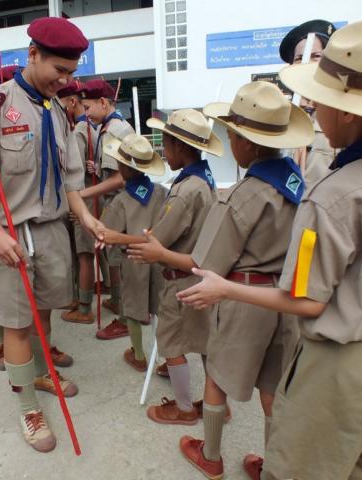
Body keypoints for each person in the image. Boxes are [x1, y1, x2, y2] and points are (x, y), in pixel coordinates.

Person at [177, 18, 362, 480]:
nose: (312, 110)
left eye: (318, 99)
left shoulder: (334, 194)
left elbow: (307, 299)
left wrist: (224, 289)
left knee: (302, 467)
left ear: (347, 111)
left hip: (339, 359)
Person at [140, 81, 314, 479]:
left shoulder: (243, 195)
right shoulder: (297, 182)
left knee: (216, 375)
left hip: (245, 297)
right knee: (273, 388)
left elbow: (208, 262)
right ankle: (274, 467)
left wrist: (162, 254)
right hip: (283, 297)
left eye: (233, 135)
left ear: (248, 144)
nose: (230, 142)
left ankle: (211, 455)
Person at [0, 16, 103, 453]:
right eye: (60, 70)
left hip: (51, 229)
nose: (65, 80)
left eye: (71, 73)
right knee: (17, 325)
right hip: (9, 235)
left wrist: (86, 217)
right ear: (33, 55)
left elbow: (70, 177)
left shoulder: (56, 111)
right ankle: (28, 409)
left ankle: (40, 371)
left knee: (44, 312)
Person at [108, 109, 223, 424]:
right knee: (206, 342)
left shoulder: (185, 191)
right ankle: (217, 405)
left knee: (171, 341)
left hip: (180, 278)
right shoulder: (204, 179)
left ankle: (183, 408)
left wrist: (119, 237)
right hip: (200, 274)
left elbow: (157, 239)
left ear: (181, 147)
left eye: (166, 144)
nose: (163, 151)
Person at [97, 133, 167, 370]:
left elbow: (107, 233)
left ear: (125, 168)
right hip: (160, 258)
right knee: (161, 307)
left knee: (133, 308)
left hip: (133, 261)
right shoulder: (162, 192)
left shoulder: (120, 201)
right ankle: (166, 357)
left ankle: (138, 354)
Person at [79, 78, 135, 340]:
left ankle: (126, 318)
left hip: (120, 203)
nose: (86, 113)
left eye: (88, 107)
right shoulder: (117, 125)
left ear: (103, 102)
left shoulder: (112, 131)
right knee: (118, 259)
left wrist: (81, 195)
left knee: (122, 262)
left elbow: (118, 179)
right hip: (125, 203)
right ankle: (120, 302)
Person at [58, 80, 101, 324]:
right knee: (81, 254)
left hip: (83, 200)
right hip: (87, 199)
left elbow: (75, 171)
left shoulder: (80, 130)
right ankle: (79, 299)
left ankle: (84, 309)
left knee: (84, 255)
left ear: (72, 102)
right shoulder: (86, 127)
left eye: (62, 103)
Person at [279, 19, 337, 185]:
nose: (307, 63)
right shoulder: (281, 115)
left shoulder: (340, 116)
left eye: (316, 56)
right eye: (299, 58)